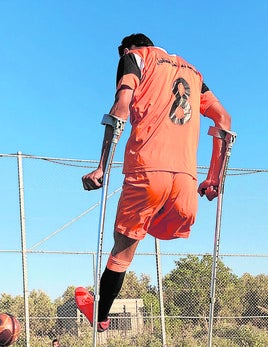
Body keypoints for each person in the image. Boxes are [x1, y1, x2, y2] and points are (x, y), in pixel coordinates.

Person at [77, 33, 233, 332]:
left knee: (123, 248)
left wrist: (101, 168)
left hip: (147, 169)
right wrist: (214, 179)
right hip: (187, 182)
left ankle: (101, 314)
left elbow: (120, 108)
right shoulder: (193, 72)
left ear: (126, 50)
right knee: (148, 229)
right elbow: (223, 119)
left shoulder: (135, 58)